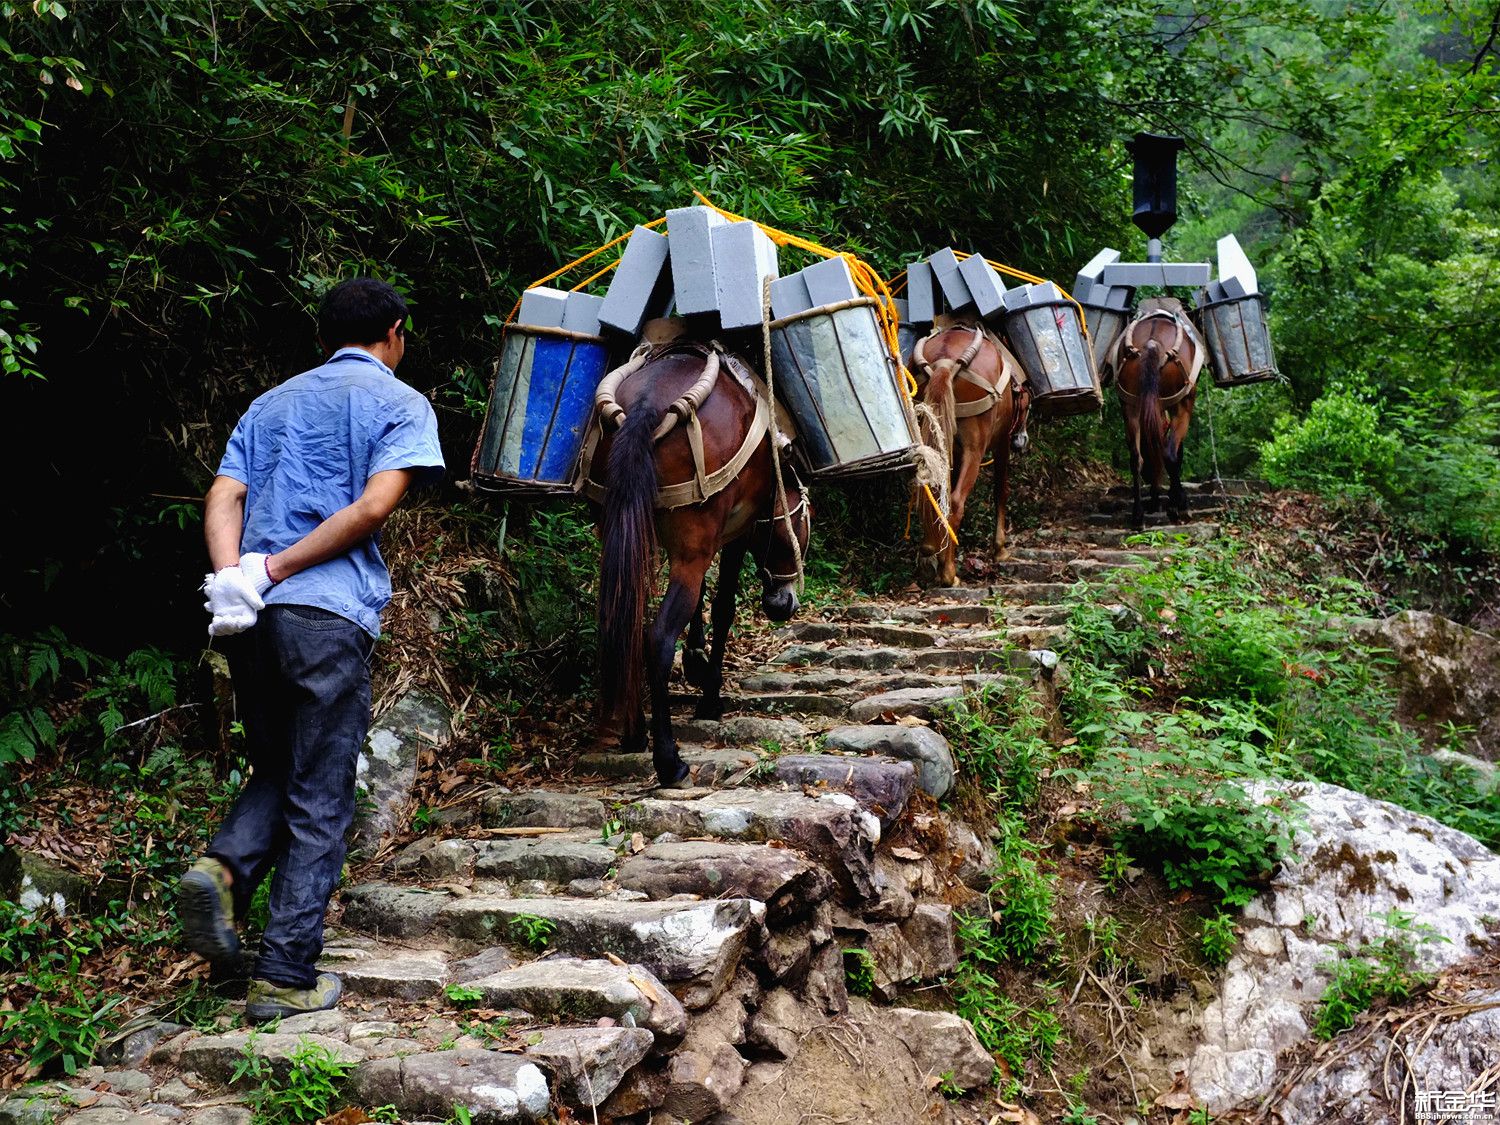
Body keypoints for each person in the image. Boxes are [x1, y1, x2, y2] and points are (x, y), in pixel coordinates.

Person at [181, 277, 444, 1021]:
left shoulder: (270, 403)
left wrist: (236, 576)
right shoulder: (400, 403)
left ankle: (224, 868)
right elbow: (373, 505)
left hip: (252, 621)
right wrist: (278, 567)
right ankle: (286, 975)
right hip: (324, 617)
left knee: (280, 764)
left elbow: (224, 495)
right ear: (395, 330)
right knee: (322, 792)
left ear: (325, 334)